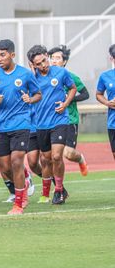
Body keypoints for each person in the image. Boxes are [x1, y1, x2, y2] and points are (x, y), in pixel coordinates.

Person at [0, 39, 41, 215]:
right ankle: (23, 186)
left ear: (12, 55)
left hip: (21, 124)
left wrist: (30, 100)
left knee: (17, 161)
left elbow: (38, 94)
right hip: (0, 126)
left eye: (3, 55)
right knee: (6, 167)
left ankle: (19, 201)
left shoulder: (24, 74)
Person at [27, 45, 76, 205]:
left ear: (47, 56)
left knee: (56, 156)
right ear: (33, 65)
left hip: (59, 120)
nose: (44, 65)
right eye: (39, 63)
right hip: (41, 124)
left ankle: (59, 190)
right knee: (45, 159)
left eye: (44, 60)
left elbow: (72, 88)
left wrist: (65, 103)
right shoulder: (32, 78)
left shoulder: (61, 72)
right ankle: (45, 193)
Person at [48, 45, 89, 176]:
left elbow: (85, 94)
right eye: (52, 58)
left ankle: (80, 159)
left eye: (57, 58)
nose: (54, 61)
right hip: (51, 121)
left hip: (70, 119)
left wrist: (69, 99)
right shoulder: (45, 76)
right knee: (54, 156)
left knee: (68, 153)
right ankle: (59, 188)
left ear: (64, 61)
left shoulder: (72, 77)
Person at [96, 44, 115, 164]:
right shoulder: (105, 76)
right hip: (113, 123)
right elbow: (98, 94)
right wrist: (108, 103)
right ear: (112, 59)